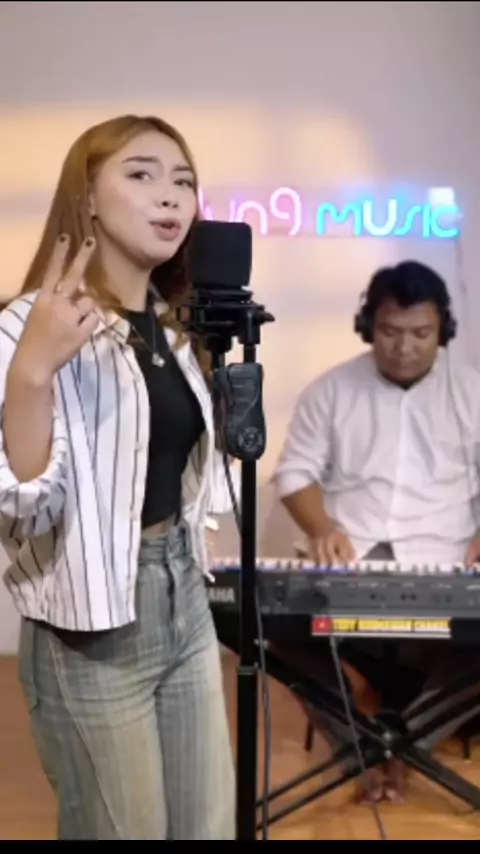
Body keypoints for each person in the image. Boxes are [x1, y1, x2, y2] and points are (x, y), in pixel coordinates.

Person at [0, 114, 238, 839]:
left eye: (183, 182)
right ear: (88, 199)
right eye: (141, 175)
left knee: (206, 825)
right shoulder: (25, 325)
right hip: (90, 630)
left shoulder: (177, 328)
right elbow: (23, 510)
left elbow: (182, 471)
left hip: (183, 599)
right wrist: (32, 373)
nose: (170, 196)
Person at [272, 260, 480, 804]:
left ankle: (405, 751)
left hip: (445, 560)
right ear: (368, 325)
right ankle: (362, 752)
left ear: (443, 330)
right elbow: (294, 474)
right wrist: (321, 527)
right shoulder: (332, 389)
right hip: (351, 559)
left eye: (421, 333)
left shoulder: (472, 391)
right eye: (390, 331)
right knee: (280, 636)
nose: (405, 347)